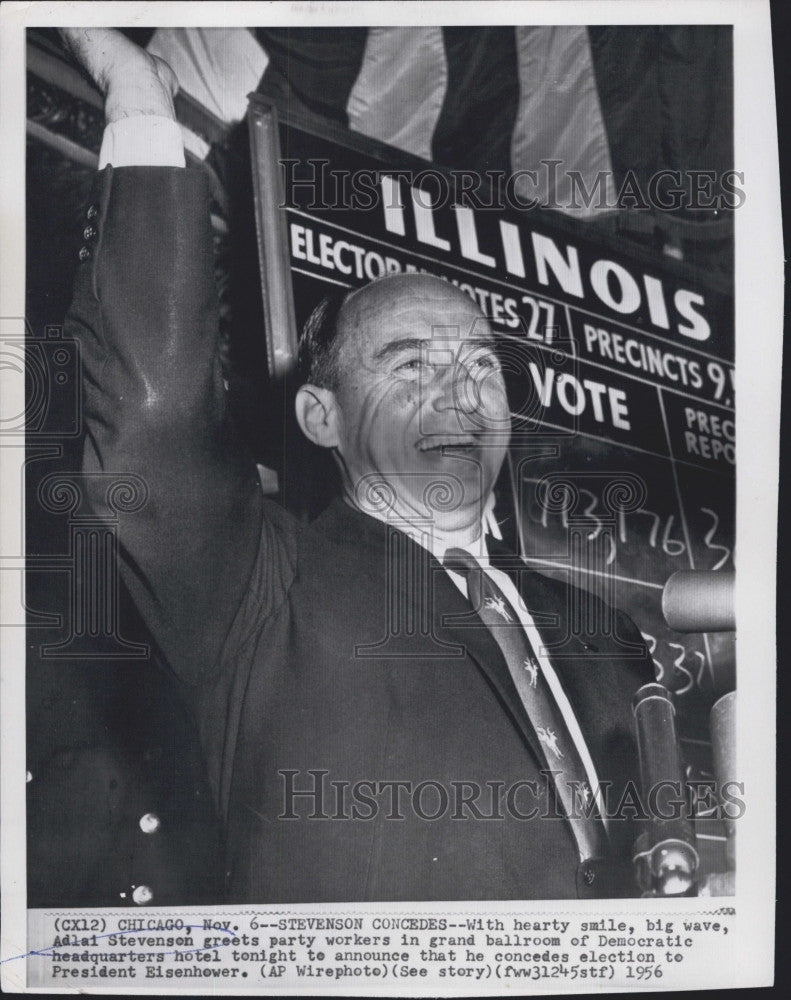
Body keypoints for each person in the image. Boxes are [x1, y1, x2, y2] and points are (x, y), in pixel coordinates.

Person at [57, 27, 654, 902]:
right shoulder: (260, 587)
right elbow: (152, 420)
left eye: (480, 364)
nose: (458, 392)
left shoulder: (608, 636)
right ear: (319, 415)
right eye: (409, 365)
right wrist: (140, 96)